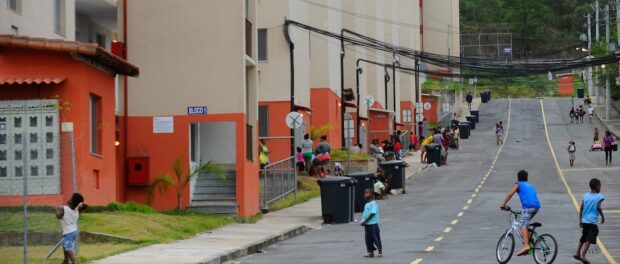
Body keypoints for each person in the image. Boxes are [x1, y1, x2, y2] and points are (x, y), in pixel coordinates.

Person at [500, 170, 541, 256]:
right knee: (525, 224)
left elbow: (510, 194)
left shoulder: (518, 184)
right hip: (536, 207)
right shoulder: (530, 185)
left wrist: (503, 204)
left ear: (518, 178)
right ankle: (530, 242)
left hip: (528, 207)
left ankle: (526, 246)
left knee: (522, 224)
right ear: (527, 178)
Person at [574, 178, 605, 264]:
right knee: (589, 239)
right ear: (596, 187)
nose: (600, 188)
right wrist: (602, 217)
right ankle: (583, 256)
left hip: (584, 220)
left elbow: (581, 208)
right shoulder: (599, 196)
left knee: (583, 237)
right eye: (600, 186)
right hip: (592, 221)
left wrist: (580, 220)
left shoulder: (586, 195)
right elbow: (599, 207)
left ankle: (577, 252)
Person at [56, 193, 88, 264]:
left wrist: (57, 209)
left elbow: (58, 216)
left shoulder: (63, 208)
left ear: (72, 201)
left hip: (68, 233)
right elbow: (86, 205)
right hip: (74, 231)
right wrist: (81, 204)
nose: (69, 199)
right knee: (65, 245)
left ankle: (74, 262)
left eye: (71, 198)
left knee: (68, 248)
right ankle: (66, 260)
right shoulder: (77, 210)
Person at [360, 188, 382, 258]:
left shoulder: (373, 203)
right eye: (365, 193)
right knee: (368, 239)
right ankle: (370, 252)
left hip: (373, 224)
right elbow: (365, 214)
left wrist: (365, 221)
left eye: (367, 193)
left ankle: (380, 251)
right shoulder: (366, 204)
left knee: (375, 238)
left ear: (372, 195)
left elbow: (372, 213)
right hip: (367, 225)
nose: (365, 194)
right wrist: (362, 222)